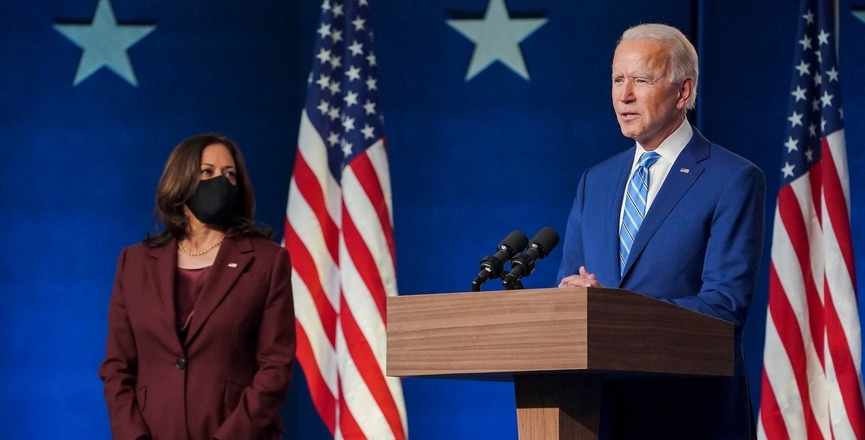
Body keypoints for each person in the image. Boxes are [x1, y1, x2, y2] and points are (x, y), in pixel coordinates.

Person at [557, 23, 765, 439]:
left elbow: (724, 308)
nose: (624, 95)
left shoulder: (732, 178)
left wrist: (615, 314)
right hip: (594, 413)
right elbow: (570, 288)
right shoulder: (593, 182)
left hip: (687, 414)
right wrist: (571, 297)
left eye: (641, 80)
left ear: (683, 92)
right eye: (617, 79)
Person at [98, 134, 295, 440]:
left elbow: (276, 367)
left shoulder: (268, 260)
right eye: (207, 172)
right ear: (181, 181)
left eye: (230, 174)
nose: (221, 182)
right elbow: (117, 367)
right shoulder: (134, 262)